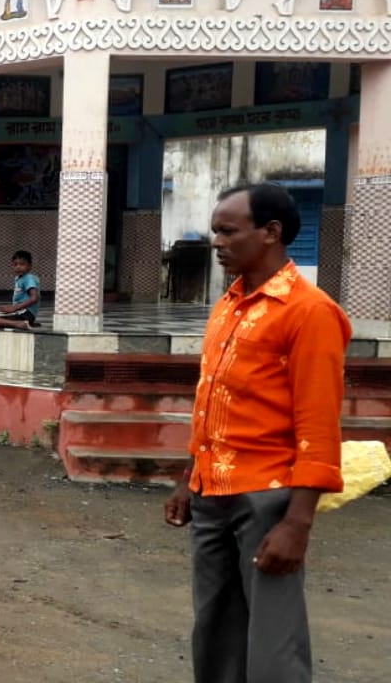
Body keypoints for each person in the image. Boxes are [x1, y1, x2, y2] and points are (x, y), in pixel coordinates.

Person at [164, 183, 350, 683]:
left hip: (267, 497)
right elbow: (211, 400)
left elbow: (318, 422)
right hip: (211, 492)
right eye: (215, 231)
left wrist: (297, 523)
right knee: (215, 633)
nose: (217, 242)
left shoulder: (310, 312)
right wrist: (188, 478)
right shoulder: (229, 303)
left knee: (273, 644)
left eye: (228, 231)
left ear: (270, 232)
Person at [0, 250, 40, 329]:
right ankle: (24, 323)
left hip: (25, 314)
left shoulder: (28, 278)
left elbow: (34, 298)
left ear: (29, 266)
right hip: (21, 313)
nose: (18, 267)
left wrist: (14, 308)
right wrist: (10, 308)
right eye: (15, 264)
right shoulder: (20, 278)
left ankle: (18, 324)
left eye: (22, 264)